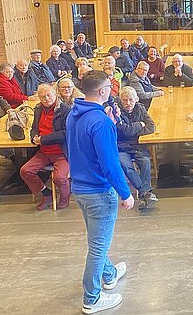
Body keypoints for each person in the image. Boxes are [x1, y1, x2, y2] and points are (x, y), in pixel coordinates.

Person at [66, 70, 134, 314]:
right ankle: (92, 298)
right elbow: (110, 164)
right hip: (98, 192)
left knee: (97, 239)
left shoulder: (73, 114)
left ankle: (109, 274)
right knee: (97, 247)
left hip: (80, 188)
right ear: (103, 91)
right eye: (110, 86)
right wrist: (125, 193)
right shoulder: (101, 122)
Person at [20, 84, 71, 210]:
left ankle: (65, 197)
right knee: (25, 171)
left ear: (55, 95)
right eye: (43, 97)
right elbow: (34, 129)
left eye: (49, 95)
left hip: (61, 152)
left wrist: (43, 139)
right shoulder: (38, 109)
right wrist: (34, 138)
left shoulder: (65, 110)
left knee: (59, 178)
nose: (46, 99)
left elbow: (66, 133)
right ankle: (47, 194)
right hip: (44, 152)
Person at [115, 86, 157, 210]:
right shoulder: (116, 112)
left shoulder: (140, 108)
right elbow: (125, 131)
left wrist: (133, 130)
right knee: (126, 166)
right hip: (121, 146)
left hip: (137, 144)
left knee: (145, 162)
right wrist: (140, 124)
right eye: (125, 100)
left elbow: (151, 126)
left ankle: (144, 196)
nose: (128, 103)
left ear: (136, 99)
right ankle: (145, 192)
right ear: (120, 100)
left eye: (131, 100)